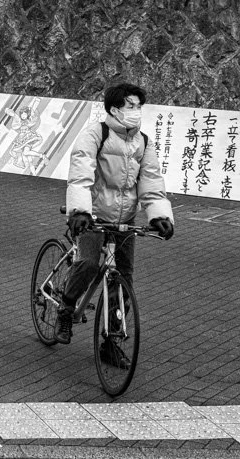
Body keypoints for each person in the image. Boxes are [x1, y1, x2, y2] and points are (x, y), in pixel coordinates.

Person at [56, 83, 175, 355]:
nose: (136, 111)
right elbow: (80, 174)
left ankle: (111, 343)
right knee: (87, 263)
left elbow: (152, 181)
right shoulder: (95, 135)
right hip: (94, 217)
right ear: (114, 109)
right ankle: (65, 308)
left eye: (138, 106)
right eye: (130, 106)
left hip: (125, 219)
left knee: (123, 279)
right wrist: (81, 212)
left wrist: (159, 215)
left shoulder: (143, 141)